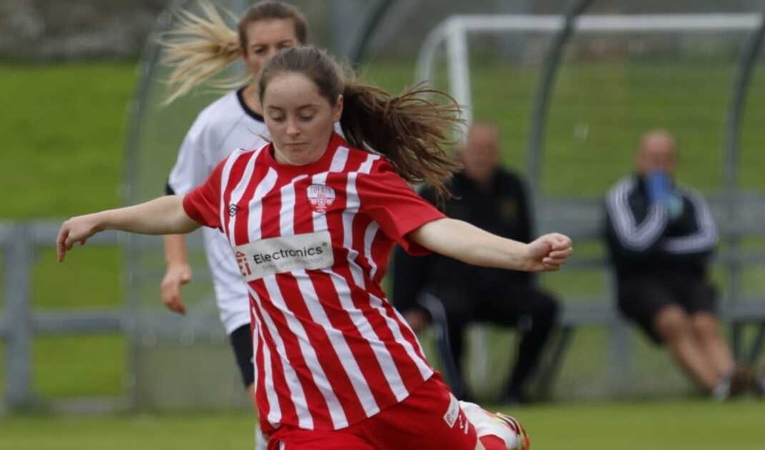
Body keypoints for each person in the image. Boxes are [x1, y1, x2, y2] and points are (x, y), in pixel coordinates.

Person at [58, 46, 571, 449]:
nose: (291, 130)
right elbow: (181, 209)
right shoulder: (237, 175)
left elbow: (437, 229)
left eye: (306, 114)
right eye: (276, 115)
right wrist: (102, 219)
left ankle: (490, 433)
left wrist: (520, 253)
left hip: (386, 379)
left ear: (336, 108)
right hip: (299, 404)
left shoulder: (361, 175)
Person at [158, 3, 307, 444]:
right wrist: (175, 264)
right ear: (244, 57)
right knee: (273, 411)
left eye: (285, 46)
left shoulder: (330, 119)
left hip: (316, 290)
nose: (274, 57)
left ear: (305, 48)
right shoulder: (216, 125)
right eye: (261, 49)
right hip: (247, 297)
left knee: (317, 411)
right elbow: (177, 195)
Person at [391, 123, 560, 405]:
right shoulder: (438, 190)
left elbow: (524, 240)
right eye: (477, 149)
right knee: (448, 310)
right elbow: (408, 249)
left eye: (489, 150)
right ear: (462, 151)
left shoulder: (512, 188)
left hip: (500, 285)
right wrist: (407, 306)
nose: (483, 156)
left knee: (544, 307)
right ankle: (459, 394)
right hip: (451, 286)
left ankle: (515, 391)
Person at [603, 129, 752, 400]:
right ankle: (718, 387)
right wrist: (660, 210)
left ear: (675, 162)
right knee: (673, 320)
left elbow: (707, 242)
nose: (659, 164)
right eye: (653, 157)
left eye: (666, 158)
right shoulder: (622, 195)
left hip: (686, 279)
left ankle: (733, 379)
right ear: (639, 159)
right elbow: (632, 246)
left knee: (704, 322)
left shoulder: (688, 197)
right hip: (639, 282)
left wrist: (660, 250)